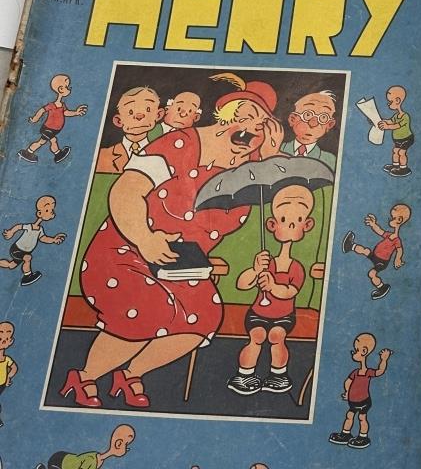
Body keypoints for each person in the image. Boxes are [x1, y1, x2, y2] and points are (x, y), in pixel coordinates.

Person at [60, 77, 284, 410]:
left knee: (204, 315)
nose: (250, 131)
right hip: (125, 251)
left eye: (261, 126)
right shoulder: (181, 144)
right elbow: (125, 191)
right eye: (245, 118)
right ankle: (84, 376)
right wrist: (145, 239)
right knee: (147, 308)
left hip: (178, 266)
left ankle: (131, 374)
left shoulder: (249, 173)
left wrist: (267, 161)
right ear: (225, 117)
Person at [227, 183, 315, 396]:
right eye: (284, 219)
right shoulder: (266, 263)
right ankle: (244, 375)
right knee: (257, 335)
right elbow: (241, 284)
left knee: (276, 335)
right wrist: (256, 270)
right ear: (272, 224)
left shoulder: (296, 267)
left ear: (307, 225)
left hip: (284, 316)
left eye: (298, 220)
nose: (291, 224)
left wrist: (274, 286)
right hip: (257, 313)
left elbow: (290, 292)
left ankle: (278, 375)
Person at [329, 334, 391, 449]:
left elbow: (380, 371)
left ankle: (363, 436)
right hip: (353, 401)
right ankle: (345, 434)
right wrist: (347, 392)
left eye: (356, 350)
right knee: (349, 415)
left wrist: (384, 359)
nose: (353, 353)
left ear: (364, 351)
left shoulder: (367, 372)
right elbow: (348, 381)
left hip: (364, 401)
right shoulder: (355, 372)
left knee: (362, 418)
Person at [341, 204, 410, 300]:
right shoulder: (389, 235)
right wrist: (373, 224)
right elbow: (380, 231)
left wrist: (398, 259)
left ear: (399, 220)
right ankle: (350, 246)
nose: (389, 220)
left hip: (381, 262)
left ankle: (382, 287)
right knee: (366, 251)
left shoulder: (396, 240)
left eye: (392, 218)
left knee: (372, 274)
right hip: (375, 255)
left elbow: (399, 249)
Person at [19, 74, 87, 164]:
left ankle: (29, 152)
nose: (69, 89)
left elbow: (65, 113)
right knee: (52, 140)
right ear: (61, 89)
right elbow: (42, 110)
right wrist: (35, 119)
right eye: (67, 87)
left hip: (55, 129)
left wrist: (76, 112)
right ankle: (57, 154)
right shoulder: (52, 105)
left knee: (41, 142)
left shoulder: (62, 105)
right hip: (48, 128)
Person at [95, 86, 164, 174]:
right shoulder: (102, 156)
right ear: (118, 120)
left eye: (148, 109)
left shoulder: (163, 153)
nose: (139, 116)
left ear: (158, 115)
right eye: (130, 112)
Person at [0, 195, 66, 286]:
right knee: (28, 258)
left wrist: (53, 240)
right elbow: (19, 227)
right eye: (47, 210)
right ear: (39, 213)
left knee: (11, 265)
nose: (51, 212)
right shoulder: (30, 227)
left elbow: (43, 238)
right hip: (17, 249)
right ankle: (27, 276)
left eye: (52, 210)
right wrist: (11, 232)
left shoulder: (40, 230)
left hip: (25, 251)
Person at [280, 90, 337, 169]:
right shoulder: (278, 149)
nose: (313, 123)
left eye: (323, 117)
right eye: (307, 114)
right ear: (292, 119)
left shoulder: (329, 160)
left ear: (329, 125)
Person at [35, 425, 135, 469]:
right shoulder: (92, 459)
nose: (126, 449)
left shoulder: (98, 459)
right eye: (126, 444)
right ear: (118, 444)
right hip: (59, 461)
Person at [377, 85, 413, 177]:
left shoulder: (405, 116)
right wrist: (380, 121)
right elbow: (390, 121)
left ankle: (403, 168)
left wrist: (387, 126)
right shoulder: (396, 116)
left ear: (397, 101)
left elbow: (397, 125)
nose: (388, 104)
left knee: (401, 152)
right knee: (395, 151)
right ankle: (395, 166)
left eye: (390, 101)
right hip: (398, 139)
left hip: (407, 139)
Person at [0, 322, 17, 427]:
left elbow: (14, 368)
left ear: (10, 342)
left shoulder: (7, 359)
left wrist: (8, 377)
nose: (2, 341)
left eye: (5, 340)